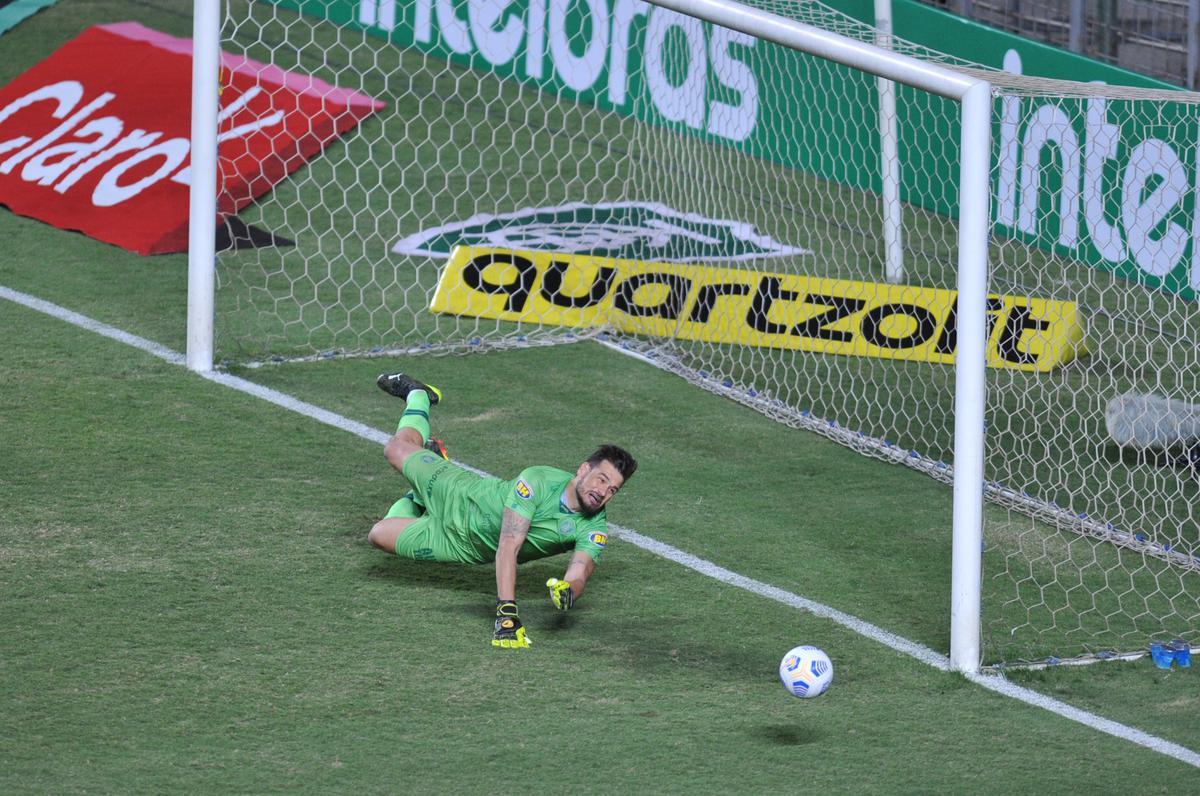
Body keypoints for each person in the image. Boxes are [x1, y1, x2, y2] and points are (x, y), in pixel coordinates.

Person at [368, 371, 637, 650]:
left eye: (613, 489)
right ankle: (419, 396)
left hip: (460, 545)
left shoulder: (594, 529)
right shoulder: (538, 480)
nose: (603, 491)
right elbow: (509, 544)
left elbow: (580, 569)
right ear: (583, 470)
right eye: (602, 479)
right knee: (395, 449)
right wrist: (506, 612)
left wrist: (569, 592)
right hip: (459, 494)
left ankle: (419, 495)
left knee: (377, 534)